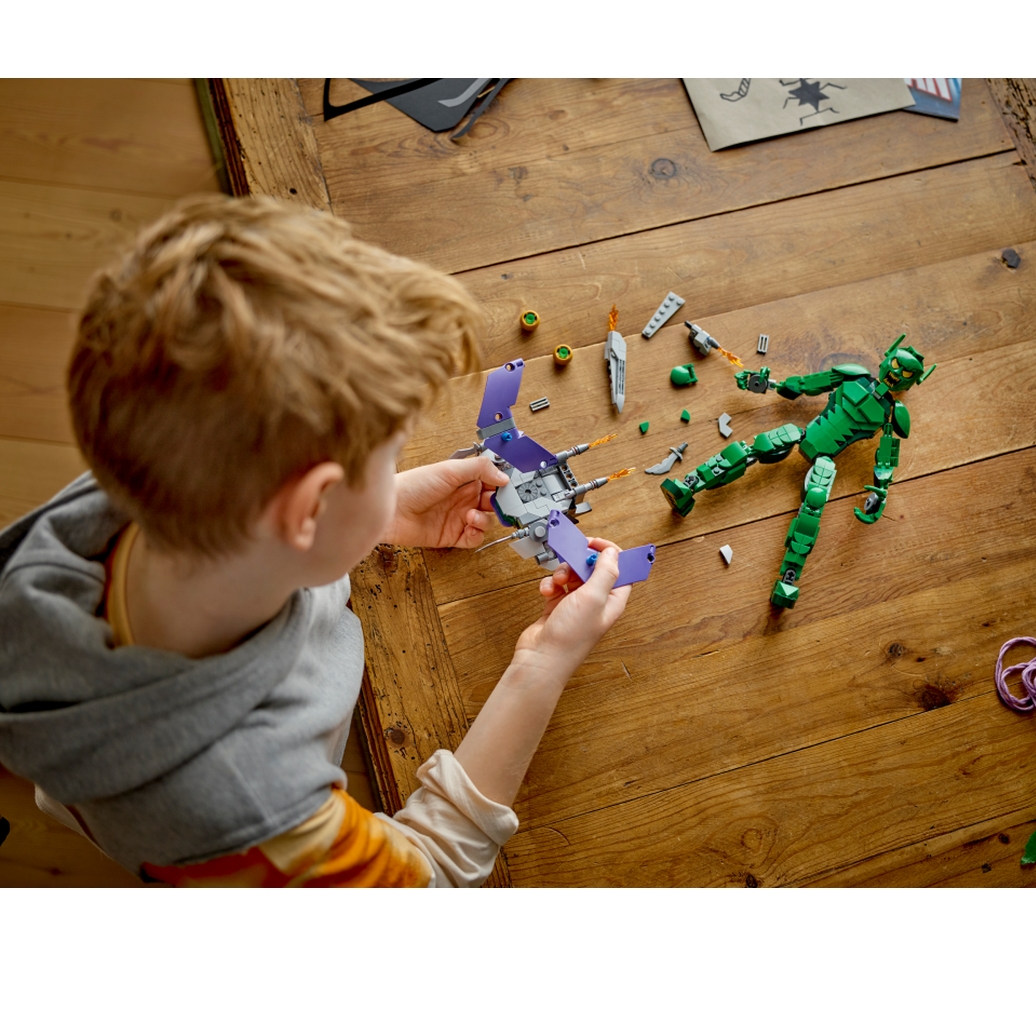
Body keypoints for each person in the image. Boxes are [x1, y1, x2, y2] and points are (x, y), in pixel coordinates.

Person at [0, 195, 631, 887]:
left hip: (86, 776)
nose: (395, 471)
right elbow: (430, 874)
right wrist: (541, 665)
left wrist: (372, 515)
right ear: (307, 507)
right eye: (388, 460)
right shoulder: (255, 809)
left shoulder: (127, 483)